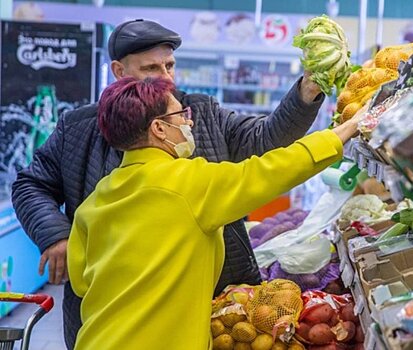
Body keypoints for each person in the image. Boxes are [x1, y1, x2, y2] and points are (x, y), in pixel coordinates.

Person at [11, 19, 325, 349]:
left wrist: (305, 94)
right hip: (108, 310)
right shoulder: (78, 127)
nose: (167, 77)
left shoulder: (198, 113)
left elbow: (264, 140)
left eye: (170, 65)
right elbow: (31, 183)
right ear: (119, 70)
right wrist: (56, 235)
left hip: (211, 304)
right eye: (152, 68)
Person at [68, 76, 358, 349]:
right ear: (159, 129)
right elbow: (272, 170)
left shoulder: (97, 198)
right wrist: (345, 131)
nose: (189, 122)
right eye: (181, 115)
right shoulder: (188, 183)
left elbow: (81, 281)